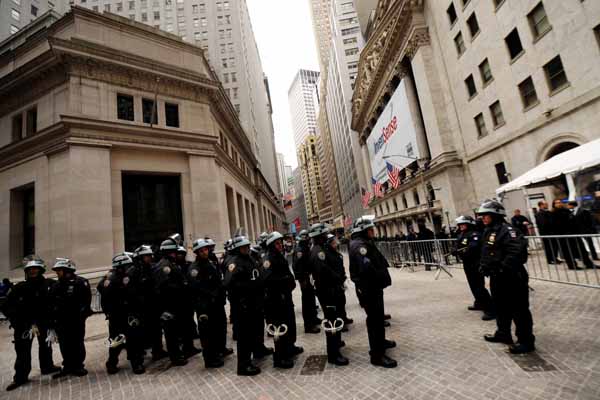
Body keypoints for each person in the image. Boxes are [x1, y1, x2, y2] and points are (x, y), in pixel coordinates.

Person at [478, 199, 535, 354]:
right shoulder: (490, 230)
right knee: (501, 307)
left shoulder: (508, 230)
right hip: (497, 277)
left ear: (495, 215)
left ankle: (526, 341)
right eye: (482, 215)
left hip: (512, 276)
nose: (482, 218)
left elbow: (516, 252)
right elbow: (488, 251)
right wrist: (485, 266)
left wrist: (502, 268)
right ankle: (503, 333)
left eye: (486, 215)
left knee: (519, 309)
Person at [3, 259, 60, 391]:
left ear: (41, 270)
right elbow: (6, 305)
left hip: (44, 323)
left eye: (35, 269)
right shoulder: (19, 287)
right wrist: (15, 320)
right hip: (24, 325)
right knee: (22, 351)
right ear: (26, 272)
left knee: (46, 346)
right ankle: (20, 377)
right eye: (30, 269)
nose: (32, 271)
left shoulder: (50, 284)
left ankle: (47, 367)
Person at [349, 216, 397, 368]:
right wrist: (380, 277)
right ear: (363, 231)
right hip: (369, 288)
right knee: (374, 321)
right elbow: (367, 269)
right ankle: (377, 355)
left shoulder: (365, 242)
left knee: (378, 318)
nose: (373, 232)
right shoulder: (359, 246)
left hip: (374, 287)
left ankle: (381, 342)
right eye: (370, 230)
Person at [224, 235, 273, 376]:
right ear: (237, 248)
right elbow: (229, 284)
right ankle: (244, 365)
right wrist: (246, 291)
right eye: (243, 247)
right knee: (244, 336)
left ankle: (258, 350)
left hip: (255, 303)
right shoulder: (234, 262)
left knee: (257, 329)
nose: (246, 248)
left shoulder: (249, 258)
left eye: (247, 246)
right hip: (244, 306)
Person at [97, 253, 145, 375]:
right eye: (127, 266)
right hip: (118, 315)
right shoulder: (111, 279)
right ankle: (113, 363)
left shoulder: (128, 276)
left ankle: (135, 363)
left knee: (132, 339)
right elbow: (102, 291)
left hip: (128, 314)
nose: (129, 268)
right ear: (120, 267)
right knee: (117, 341)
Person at [310, 225, 350, 366]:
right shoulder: (318, 252)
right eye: (324, 234)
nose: (326, 236)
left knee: (335, 318)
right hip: (327, 292)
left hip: (330, 291)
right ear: (319, 237)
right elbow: (325, 272)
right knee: (332, 321)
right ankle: (333, 355)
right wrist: (338, 278)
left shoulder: (321, 249)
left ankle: (336, 345)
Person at [153, 237, 196, 366]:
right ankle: (175, 357)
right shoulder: (164, 266)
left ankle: (180, 353)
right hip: (169, 304)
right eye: (172, 252)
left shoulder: (171, 263)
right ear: (167, 252)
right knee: (171, 333)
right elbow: (162, 287)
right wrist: (182, 286)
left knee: (177, 330)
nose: (175, 254)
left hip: (177, 303)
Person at [262, 231, 302, 369]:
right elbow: (267, 280)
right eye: (277, 243)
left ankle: (290, 347)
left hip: (285, 298)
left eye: (280, 243)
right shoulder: (268, 259)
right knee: (280, 328)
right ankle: (280, 357)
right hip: (275, 300)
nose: (280, 245)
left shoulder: (279, 256)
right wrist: (284, 281)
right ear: (272, 245)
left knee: (290, 323)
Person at [188, 239, 230, 369]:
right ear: (197, 252)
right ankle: (210, 358)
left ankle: (220, 350)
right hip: (205, 306)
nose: (205, 252)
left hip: (216, 303)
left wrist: (220, 293)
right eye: (202, 251)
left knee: (220, 327)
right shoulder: (194, 269)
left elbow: (217, 280)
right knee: (207, 333)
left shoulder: (210, 263)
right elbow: (197, 288)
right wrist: (212, 294)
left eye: (206, 249)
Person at [50, 258, 92, 379]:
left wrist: (82, 315)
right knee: (64, 344)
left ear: (67, 270)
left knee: (77, 342)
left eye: (59, 270)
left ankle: (78, 365)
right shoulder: (56, 285)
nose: (57, 273)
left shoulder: (80, 282)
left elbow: (86, 301)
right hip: (61, 321)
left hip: (76, 320)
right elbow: (52, 302)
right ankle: (67, 366)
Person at [129, 245, 168, 361]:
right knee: (140, 333)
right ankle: (138, 358)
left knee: (156, 330)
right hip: (140, 308)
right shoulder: (132, 272)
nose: (150, 258)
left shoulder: (153, 268)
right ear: (140, 258)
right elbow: (131, 292)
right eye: (147, 256)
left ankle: (158, 351)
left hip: (154, 305)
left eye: (150, 255)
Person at [453, 216, 494, 321]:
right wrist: (454, 250)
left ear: (469, 224)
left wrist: (460, 251)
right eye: (460, 224)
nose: (461, 226)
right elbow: (458, 245)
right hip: (467, 263)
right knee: (472, 285)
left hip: (475, 263)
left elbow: (473, 248)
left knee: (479, 286)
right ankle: (479, 303)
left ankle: (490, 309)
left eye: (463, 224)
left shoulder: (475, 234)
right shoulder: (461, 234)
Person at [292, 229, 321, 334]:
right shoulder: (300, 250)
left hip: (309, 277)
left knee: (311, 298)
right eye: (308, 237)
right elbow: (297, 266)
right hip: (304, 279)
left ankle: (314, 318)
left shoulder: (305, 247)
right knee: (307, 302)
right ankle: (308, 325)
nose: (309, 239)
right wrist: (301, 280)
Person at [326, 234, 352, 327]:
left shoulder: (335, 252)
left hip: (340, 279)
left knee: (342, 301)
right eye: (333, 242)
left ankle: (344, 318)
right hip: (334, 282)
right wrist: (337, 277)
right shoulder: (327, 254)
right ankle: (340, 322)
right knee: (337, 303)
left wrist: (343, 275)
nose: (335, 243)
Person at [535, 201, 558, 265]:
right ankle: (550, 260)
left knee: (554, 246)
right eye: (546, 204)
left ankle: (555, 258)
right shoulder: (539, 213)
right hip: (546, 234)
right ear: (541, 205)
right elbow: (543, 224)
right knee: (548, 247)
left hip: (552, 233)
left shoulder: (548, 212)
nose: (547, 205)